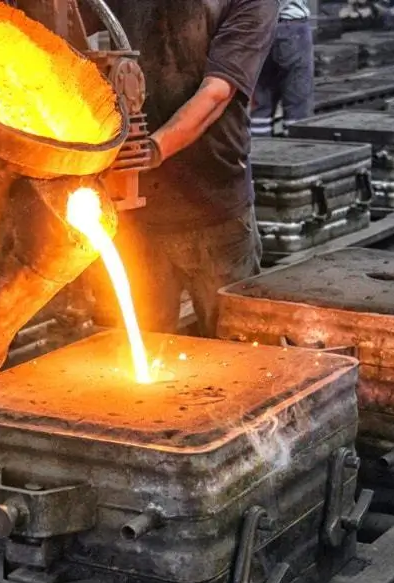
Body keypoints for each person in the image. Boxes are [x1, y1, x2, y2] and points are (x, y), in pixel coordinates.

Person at [81, 1, 278, 337]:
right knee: (136, 351)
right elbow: (73, 19)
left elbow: (217, 92)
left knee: (236, 348)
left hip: (212, 207)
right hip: (137, 210)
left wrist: (150, 149)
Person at [251, 0, 314, 137]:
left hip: (256, 27)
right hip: (292, 26)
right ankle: (295, 152)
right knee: (297, 102)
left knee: (260, 102)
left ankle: (259, 151)